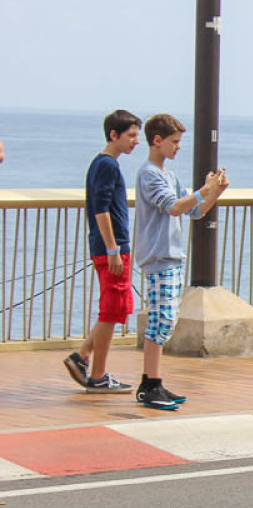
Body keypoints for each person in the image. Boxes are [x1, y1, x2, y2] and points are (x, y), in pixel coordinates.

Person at [133, 113, 228, 410]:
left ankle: (153, 382)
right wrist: (204, 191)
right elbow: (174, 207)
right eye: (174, 142)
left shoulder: (168, 176)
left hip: (171, 256)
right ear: (157, 140)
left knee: (166, 320)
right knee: (160, 321)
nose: (178, 147)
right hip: (159, 256)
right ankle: (150, 385)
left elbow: (195, 212)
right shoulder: (149, 174)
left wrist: (214, 193)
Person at [63, 109, 142, 394]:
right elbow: (101, 209)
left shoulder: (103, 164)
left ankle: (82, 357)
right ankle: (96, 374)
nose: (136, 141)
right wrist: (112, 248)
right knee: (112, 309)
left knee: (116, 307)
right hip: (112, 248)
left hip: (111, 246)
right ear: (114, 134)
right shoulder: (107, 165)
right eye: (131, 136)